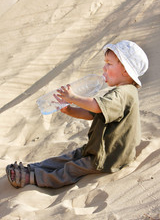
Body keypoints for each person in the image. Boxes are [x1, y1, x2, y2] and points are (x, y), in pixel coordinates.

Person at [6, 40, 149, 189]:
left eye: (109, 63)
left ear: (125, 70)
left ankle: (33, 177)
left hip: (108, 157)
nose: (104, 67)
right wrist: (70, 110)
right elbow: (92, 113)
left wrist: (73, 98)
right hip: (97, 149)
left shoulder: (124, 93)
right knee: (69, 157)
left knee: (72, 169)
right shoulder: (119, 93)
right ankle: (33, 168)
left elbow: (96, 106)